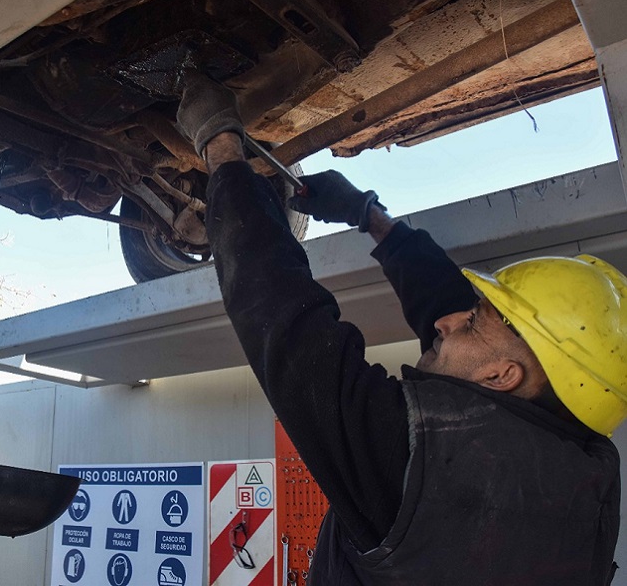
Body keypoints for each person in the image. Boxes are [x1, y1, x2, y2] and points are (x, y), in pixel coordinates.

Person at [177, 72, 624, 585]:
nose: (449, 321)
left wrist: (222, 148)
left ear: (504, 376)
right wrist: (367, 215)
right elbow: (449, 306)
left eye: (475, 322)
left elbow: (284, 321)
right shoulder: (581, 479)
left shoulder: (424, 468)